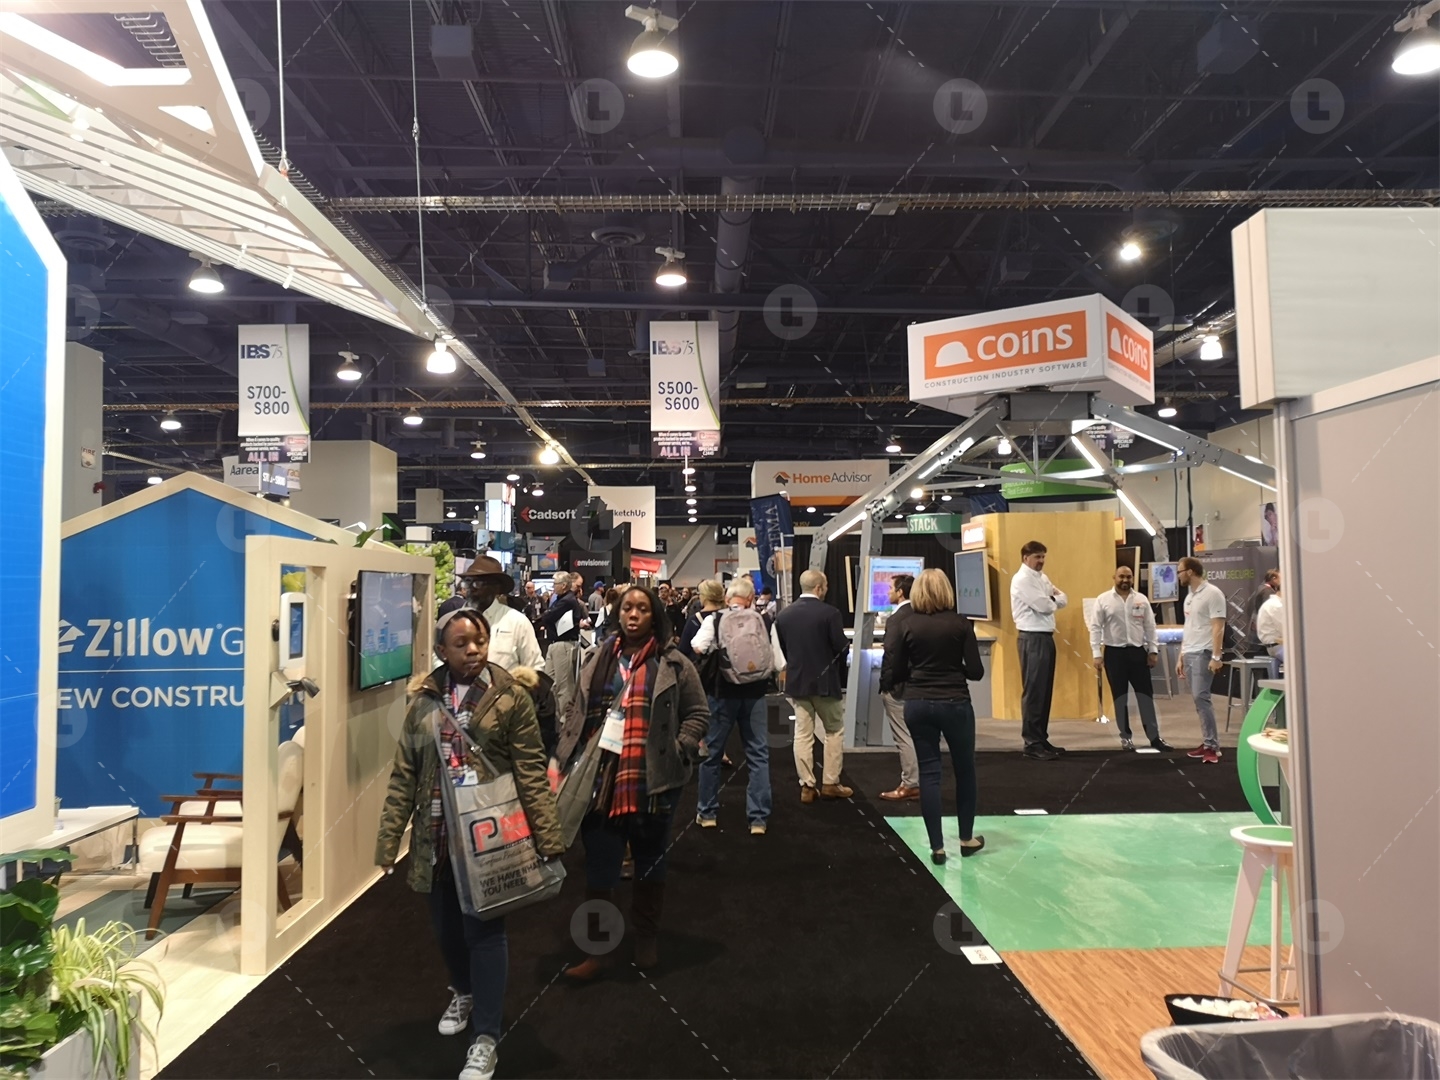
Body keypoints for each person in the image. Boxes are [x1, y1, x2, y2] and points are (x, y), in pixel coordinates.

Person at [375, 609, 563, 1080]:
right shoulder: (423, 701)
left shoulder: (510, 696)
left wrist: (547, 836)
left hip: (488, 835)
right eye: (461, 643)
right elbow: (404, 774)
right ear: (442, 651)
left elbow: (530, 771)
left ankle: (486, 1037)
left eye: (479, 640)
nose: (473, 650)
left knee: (486, 932)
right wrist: (388, 840)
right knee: (445, 930)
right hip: (436, 835)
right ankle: (463, 990)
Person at [554, 586, 710, 980]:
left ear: (654, 615)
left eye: (642, 608)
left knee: (650, 862)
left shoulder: (674, 664)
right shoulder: (598, 657)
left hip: (653, 779)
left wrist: (679, 747)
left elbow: (698, 713)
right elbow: (576, 705)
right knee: (600, 868)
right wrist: (568, 751)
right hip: (601, 779)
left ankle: (646, 939)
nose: (634, 614)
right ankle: (597, 950)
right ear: (618, 613)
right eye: (627, 608)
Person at [882, 569, 986, 864]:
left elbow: (897, 670)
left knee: (929, 774)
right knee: (965, 770)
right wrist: (955, 670)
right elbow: (976, 672)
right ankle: (966, 839)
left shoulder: (906, 624)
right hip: (955, 702)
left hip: (917, 704)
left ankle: (937, 847)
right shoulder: (961, 624)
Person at [690, 576, 774, 834]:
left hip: (722, 694)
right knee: (758, 754)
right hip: (755, 694)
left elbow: (697, 646)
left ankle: (707, 813)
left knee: (711, 754)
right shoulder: (764, 620)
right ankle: (758, 819)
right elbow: (778, 660)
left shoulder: (714, 620)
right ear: (750, 599)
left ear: (726, 599)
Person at [774, 569, 853, 803]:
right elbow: (841, 647)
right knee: (834, 731)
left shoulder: (784, 616)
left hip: (798, 683)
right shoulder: (831, 613)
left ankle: (807, 786)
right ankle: (830, 783)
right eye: (825, 585)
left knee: (802, 734)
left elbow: (784, 650)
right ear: (819, 588)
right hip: (826, 684)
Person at [1089, 566, 1172, 752]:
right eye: (1121, 576)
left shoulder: (1141, 599)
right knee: (1120, 698)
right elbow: (1095, 627)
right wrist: (1096, 653)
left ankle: (1154, 738)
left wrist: (1153, 651)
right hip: (1114, 654)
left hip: (1137, 653)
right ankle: (1125, 738)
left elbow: (1150, 626)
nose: (1125, 580)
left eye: (1128, 577)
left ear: (1133, 578)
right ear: (1114, 577)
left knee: (1146, 697)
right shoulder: (1103, 600)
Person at [1009, 540, 1069, 760]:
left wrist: (1051, 600)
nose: (1041, 561)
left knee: (1044, 691)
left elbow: (1064, 599)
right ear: (1026, 558)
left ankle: (1041, 738)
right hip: (1032, 638)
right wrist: (1052, 600)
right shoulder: (1022, 579)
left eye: (1043, 556)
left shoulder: (1042, 578)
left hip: (1045, 637)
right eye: (1037, 557)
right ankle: (1032, 743)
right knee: (1034, 691)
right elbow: (1045, 606)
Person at [442, 557, 544, 674]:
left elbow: (534, 668)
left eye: (478, 583)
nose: (471, 588)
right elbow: (440, 662)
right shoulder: (452, 622)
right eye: (468, 582)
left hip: (506, 685)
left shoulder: (516, 622)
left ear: (496, 588)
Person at [1177, 557, 1228, 764]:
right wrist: (1181, 655)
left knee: (1201, 697)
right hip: (1190, 651)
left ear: (1190, 572)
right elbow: (1189, 627)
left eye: (1180, 571)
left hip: (1204, 652)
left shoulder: (1213, 593)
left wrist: (1216, 656)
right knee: (1199, 700)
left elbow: (1218, 627)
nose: (1178, 576)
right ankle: (1208, 742)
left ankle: (1212, 747)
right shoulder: (1189, 597)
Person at [876, 574, 920, 801]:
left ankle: (911, 784)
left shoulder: (896, 620)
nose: (887, 592)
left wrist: (887, 685)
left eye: (891, 588)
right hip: (922, 686)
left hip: (900, 688)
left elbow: (891, 656)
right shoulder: (923, 614)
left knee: (904, 737)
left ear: (901, 592)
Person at [541, 572, 589, 720]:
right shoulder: (561, 599)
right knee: (550, 683)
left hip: (564, 645)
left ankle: (566, 720)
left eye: (555, 584)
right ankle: (556, 718)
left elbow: (548, 617)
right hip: (555, 644)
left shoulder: (567, 600)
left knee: (564, 686)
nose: (553, 587)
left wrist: (547, 615)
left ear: (563, 585)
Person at [678, 579, 725, 661]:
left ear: (704, 597)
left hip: (702, 666)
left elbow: (683, 649)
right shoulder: (727, 616)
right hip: (726, 665)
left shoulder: (694, 620)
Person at [1256, 584, 1285, 678]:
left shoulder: (1272, 603)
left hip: (1275, 646)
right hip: (1278, 647)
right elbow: (1285, 630)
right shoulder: (1276, 606)